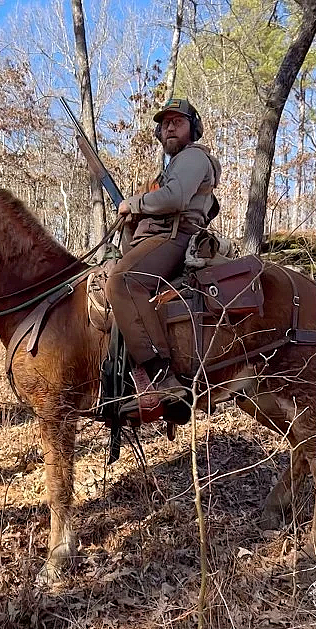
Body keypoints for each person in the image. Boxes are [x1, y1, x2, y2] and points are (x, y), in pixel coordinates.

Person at [105, 97, 222, 422]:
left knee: (123, 281)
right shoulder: (174, 166)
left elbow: (174, 198)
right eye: (165, 122)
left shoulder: (193, 157)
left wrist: (134, 202)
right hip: (159, 237)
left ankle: (161, 379)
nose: (170, 126)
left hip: (174, 237)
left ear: (192, 129)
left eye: (178, 121)